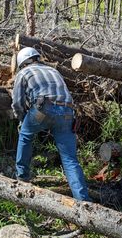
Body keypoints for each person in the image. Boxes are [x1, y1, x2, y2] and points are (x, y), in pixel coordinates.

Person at [12, 46, 91, 202]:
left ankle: (22, 178)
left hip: (43, 110)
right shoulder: (54, 71)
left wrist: (22, 120)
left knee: (25, 136)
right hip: (68, 112)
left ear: (22, 63)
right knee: (69, 158)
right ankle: (83, 201)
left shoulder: (23, 73)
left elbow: (18, 103)